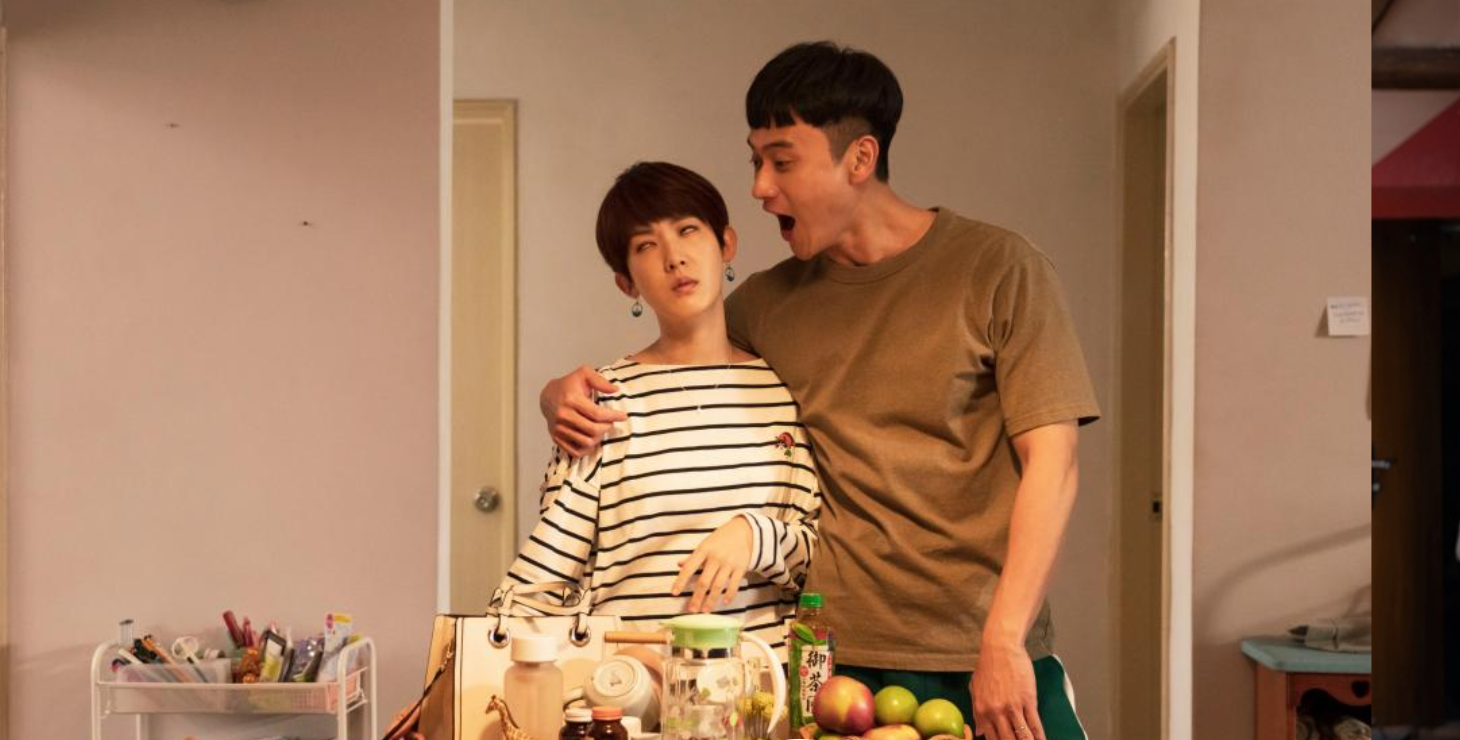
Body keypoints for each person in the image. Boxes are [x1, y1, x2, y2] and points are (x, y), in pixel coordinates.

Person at [540, 43, 1101, 740]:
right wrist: (556, 394)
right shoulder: (768, 305)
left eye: (782, 161)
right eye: (755, 161)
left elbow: (1054, 464)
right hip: (836, 664)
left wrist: (1005, 640)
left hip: (988, 651)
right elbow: (674, 360)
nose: (760, 187)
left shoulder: (1000, 269)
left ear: (859, 159)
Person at [498, 161, 822, 654]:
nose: (674, 258)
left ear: (726, 244)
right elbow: (546, 577)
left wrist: (755, 536)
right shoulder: (603, 401)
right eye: (646, 246)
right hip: (630, 685)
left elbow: (820, 555)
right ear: (626, 283)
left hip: (763, 688)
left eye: (688, 230)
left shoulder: (783, 390)